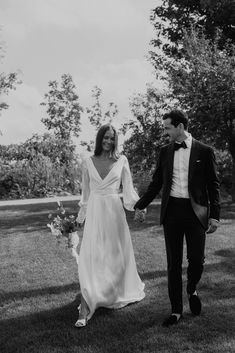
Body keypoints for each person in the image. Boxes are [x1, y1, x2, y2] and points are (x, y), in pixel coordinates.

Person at [134, 109, 220, 327]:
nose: (165, 132)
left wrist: (215, 216)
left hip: (196, 212)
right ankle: (176, 310)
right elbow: (156, 183)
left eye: (167, 127)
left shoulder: (205, 151)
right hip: (172, 212)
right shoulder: (164, 152)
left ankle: (192, 288)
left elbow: (213, 186)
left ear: (180, 127)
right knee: (173, 264)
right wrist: (140, 206)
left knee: (197, 261)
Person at [75, 124, 145, 327]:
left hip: (114, 212)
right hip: (96, 211)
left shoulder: (122, 160)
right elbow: (85, 194)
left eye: (112, 138)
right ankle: (85, 304)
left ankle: (111, 291)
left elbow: (129, 189)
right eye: (105, 138)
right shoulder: (88, 161)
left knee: (115, 253)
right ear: (99, 139)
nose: (108, 141)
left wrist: (139, 207)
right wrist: (80, 218)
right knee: (91, 255)